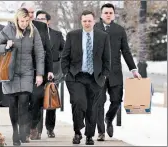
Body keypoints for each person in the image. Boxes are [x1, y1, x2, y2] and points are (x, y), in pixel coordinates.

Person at [0, 8, 45, 146]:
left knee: (24, 101)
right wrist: (6, 46)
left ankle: (23, 130)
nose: (25, 24)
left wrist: (39, 74)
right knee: (13, 104)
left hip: (27, 72)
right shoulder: (8, 30)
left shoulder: (33, 30)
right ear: (17, 19)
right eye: (22, 21)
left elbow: (39, 53)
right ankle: (15, 131)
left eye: (27, 21)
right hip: (10, 72)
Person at [61, 10, 111, 145]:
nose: (87, 23)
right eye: (84, 21)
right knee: (78, 102)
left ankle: (89, 135)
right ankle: (77, 132)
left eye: (89, 21)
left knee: (92, 108)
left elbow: (107, 59)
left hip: (95, 78)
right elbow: (64, 57)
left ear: (94, 21)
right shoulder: (72, 35)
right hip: (76, 76)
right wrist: (66, 72)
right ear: (81, 22)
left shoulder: (103, 36)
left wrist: (104, 75)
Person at [94, 3, 141, 141]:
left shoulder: (120, 30)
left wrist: (133, 69)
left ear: (114, 14)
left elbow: (126, 51)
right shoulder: (94, 28)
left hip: (115, 72)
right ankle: (101, 132)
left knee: (117, 100)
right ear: (101, 14)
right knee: (99, 102)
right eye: (106, 12)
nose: (108, 14)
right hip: (99, 73)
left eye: (110, 12)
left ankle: (108, 119)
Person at [20, 2, 54, 140]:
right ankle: (25, 130)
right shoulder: (16, 26)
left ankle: (33, 125)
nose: (31, 15)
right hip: (22, 71)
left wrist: (50, 70)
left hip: (39, 70)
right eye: (29, 12)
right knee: (23, 100)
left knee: (36, 99)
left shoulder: (41, 26)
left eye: (33, 13)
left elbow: (48, 50)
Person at [35, 10, 65, 139]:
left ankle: (50, 128)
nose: (40, 21)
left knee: (51, 101)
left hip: (53, 73)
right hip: (37, 72)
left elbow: (65, 51)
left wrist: (59, 66)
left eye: (43, 19)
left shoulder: (57, 35)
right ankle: (37, 130)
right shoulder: (32, 34)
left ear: (48, 21)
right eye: (38, 19)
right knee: (38, 102)